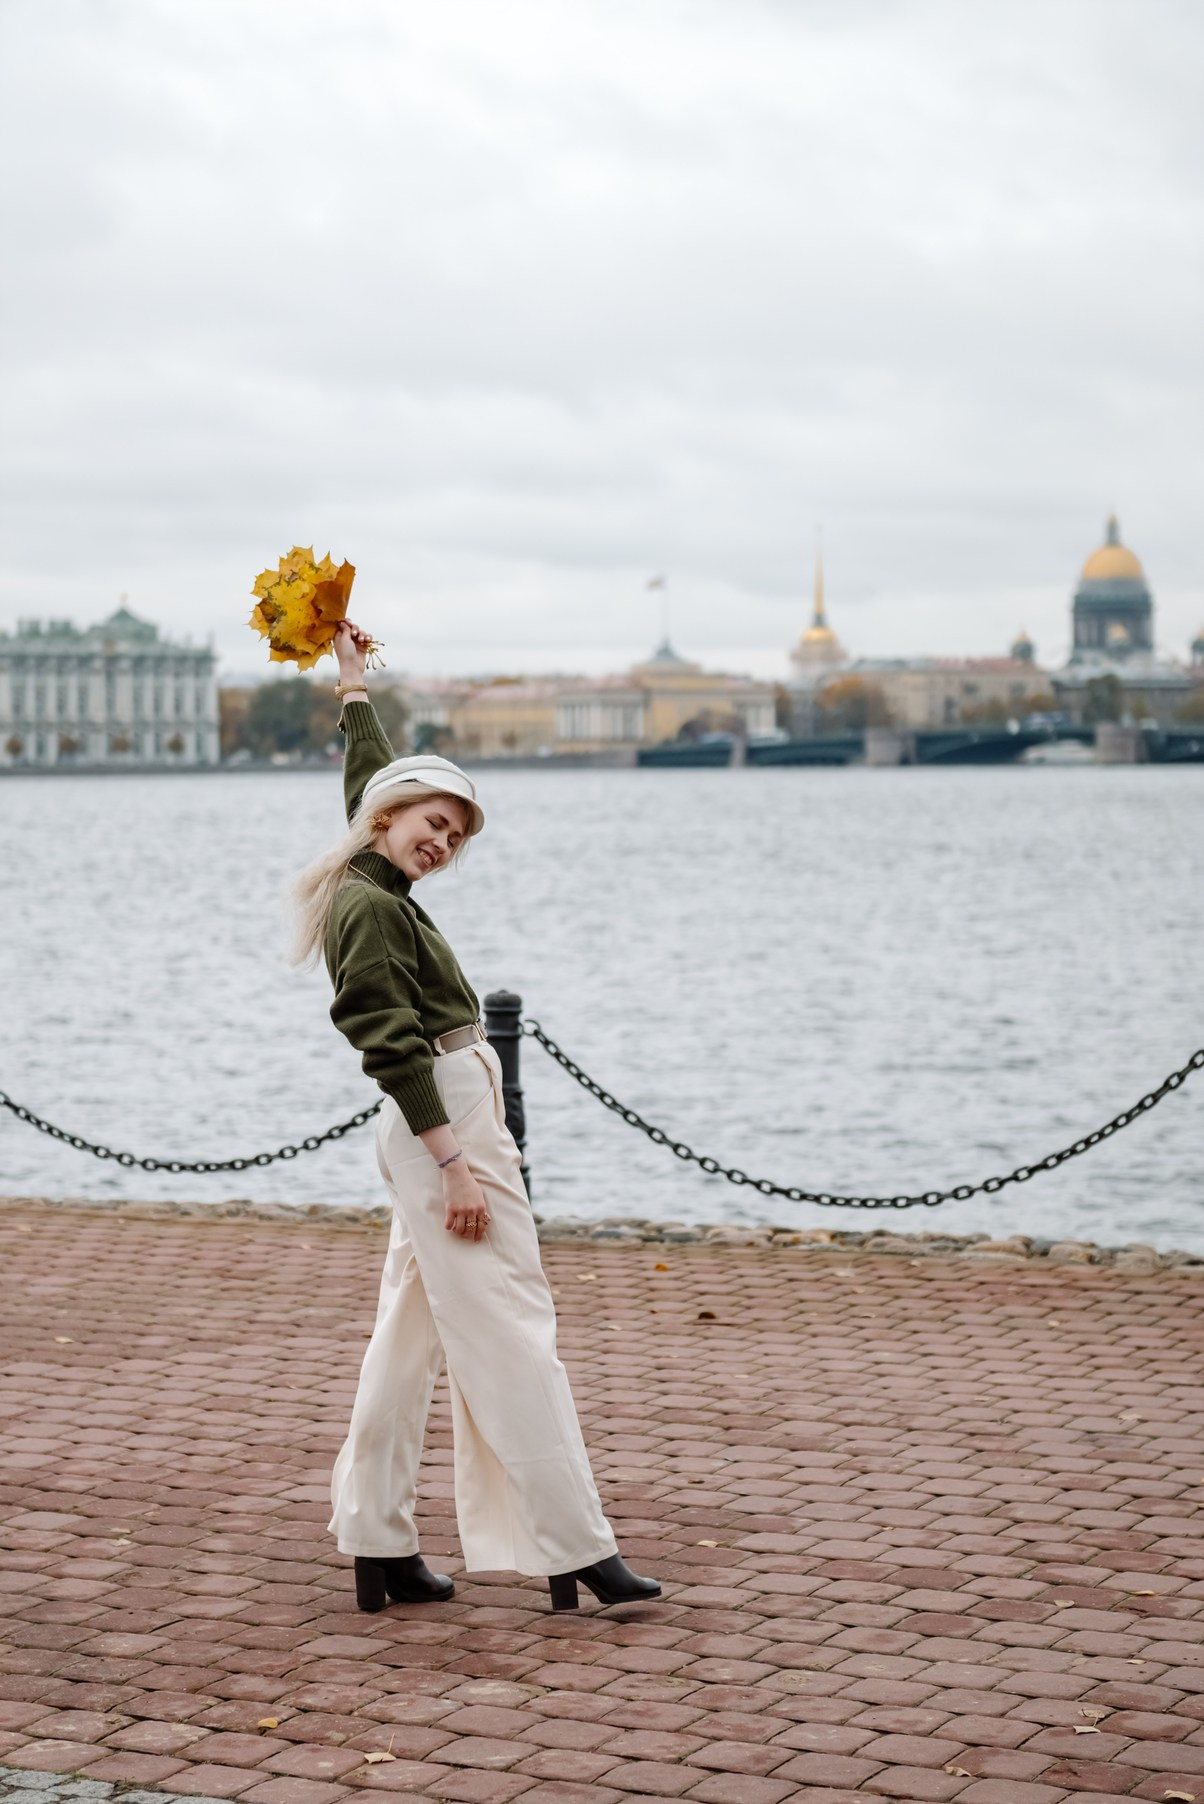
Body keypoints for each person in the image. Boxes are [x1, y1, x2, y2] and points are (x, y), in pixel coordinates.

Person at [292, 619, 660, 1616]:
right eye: (431, 823)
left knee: (407, 1337)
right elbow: (386, 1040)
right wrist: (453, 1165)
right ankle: (574, 1547)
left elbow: (368, 779)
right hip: (439, 1123)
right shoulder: (369, 905)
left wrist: (354, 682)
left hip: (440, 1119)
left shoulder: (376, 874)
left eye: (453, 834)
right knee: (510, 1328)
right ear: (389, 815)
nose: (441, 843)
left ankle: (378, 1542)